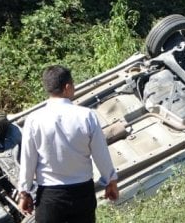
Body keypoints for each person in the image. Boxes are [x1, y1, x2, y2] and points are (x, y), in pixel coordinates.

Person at [18, 65, 119, 222]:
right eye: (73, 84)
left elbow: (28, 160)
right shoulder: (87, 116)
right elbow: (101, 154)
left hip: (49, 196)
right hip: (82, 193)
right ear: (67, 87)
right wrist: (110, 181)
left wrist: (24, 192)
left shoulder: (34, 120)